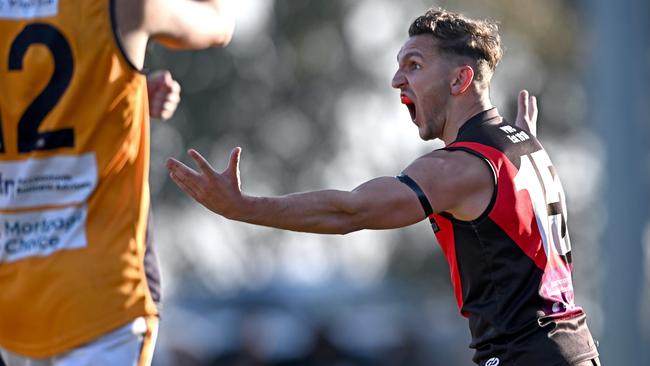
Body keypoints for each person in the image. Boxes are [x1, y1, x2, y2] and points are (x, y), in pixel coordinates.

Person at [166, 8, 600, 366]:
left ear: (459, 80)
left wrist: (242, 208)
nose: (397, 81)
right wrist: (523, 138)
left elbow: (350, 212)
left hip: (527, 356)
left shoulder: (461, 166)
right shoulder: (523, 146)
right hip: (573, 350)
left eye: (414, 65)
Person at [0, 0, 234, 365]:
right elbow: (218, 24)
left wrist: (125, 94)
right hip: (101, 294)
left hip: (12, 298)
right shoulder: (120, 6)